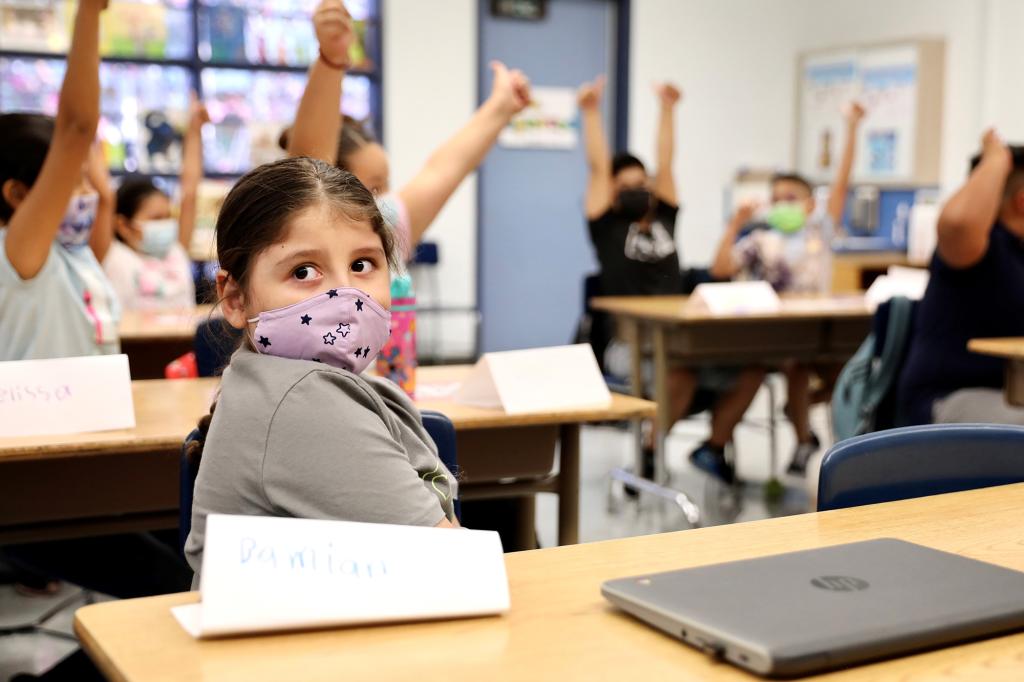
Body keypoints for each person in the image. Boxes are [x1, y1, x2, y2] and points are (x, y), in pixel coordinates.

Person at [184, 157, 459, 583]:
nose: (345, 294)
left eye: (363, 265)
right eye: (304, 271)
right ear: (235, 299)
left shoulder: (284, 383)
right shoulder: (302, 402)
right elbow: (456, 566)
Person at [0, 0, 191, 604]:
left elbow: (92, 158)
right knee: (169, 586)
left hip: (93, 461)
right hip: (35, 481)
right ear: (18, 194)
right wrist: (88, 15)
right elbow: (77, 127)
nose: (87, 193)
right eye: (70, 181)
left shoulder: (78, 251)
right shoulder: (19, 254)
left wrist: (94, 172)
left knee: (192, 560)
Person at [578, 74, 765, 485]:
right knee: (680, 371)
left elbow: (666, 162)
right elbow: (596, 165)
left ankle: (712, 448)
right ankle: (650, 454)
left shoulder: (664, 216)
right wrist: (590, 111)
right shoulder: (606, 226)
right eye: (622, 185)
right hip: (628, 344)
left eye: (639, 183)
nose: (634, 190)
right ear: (609, 192)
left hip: (682, 336)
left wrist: (667, 109)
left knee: (754, 366)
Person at [281, 0, 531, 256]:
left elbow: (443, 169)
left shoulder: (386, 231)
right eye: (374, 188)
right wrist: (331, 60)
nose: (386, 200)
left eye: (386, 185)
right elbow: (309, 163)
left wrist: (501, 107)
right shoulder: (316, 234)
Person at [710, 101, 866, 475]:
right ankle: (802, 440)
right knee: (795, 366)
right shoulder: (761, 239)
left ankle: (812, 420)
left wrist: (852, 129)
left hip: (821, 330)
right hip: (777, 335)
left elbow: (842, 182)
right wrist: (735, 224)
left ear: (810, 205)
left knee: (846, 372)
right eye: (776, 199)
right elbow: (720, 268)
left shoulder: (819, 232)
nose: (782, 205)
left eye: (790, 199)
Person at [899, 132, 1024, 425]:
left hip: (1008, 397)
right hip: (951, 398)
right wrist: (996, 158)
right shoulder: (979, 249)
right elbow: (958, 223)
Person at [103, 96, 208, 310]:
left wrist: (195, 130)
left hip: (183, 344)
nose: (167, 224)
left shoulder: (175, 251)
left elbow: (189, 192)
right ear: (123, 225)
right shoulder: (112, 256)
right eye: (156, 218)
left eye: (168, 216)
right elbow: (103, 198)